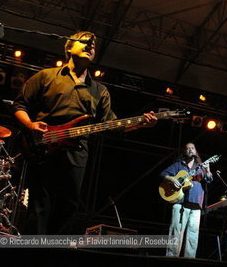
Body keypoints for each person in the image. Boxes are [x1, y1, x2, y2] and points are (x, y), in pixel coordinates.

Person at [13, 31, 158, 234]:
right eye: (85, 42)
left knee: (69, 205)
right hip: (42, 145)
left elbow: (113, 124)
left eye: (94, 45)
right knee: (40, 203)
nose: (90, 46)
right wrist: (30, 126)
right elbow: (19, 104)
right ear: (69, 48)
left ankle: (51, 252)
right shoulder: (46, 76)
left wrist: (142, 124)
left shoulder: (100, 91)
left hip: (77, 150)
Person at [160, 142, 213, 258]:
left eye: (192, 148)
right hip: (179, 202)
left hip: (196, 204)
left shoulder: (201, 167)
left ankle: (190, 259)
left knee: (193, 234)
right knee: (176, 231)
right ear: (184, 152)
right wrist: (172, 179)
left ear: (196, 151)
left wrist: (208, 170)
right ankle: (171, 258)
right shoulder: (179, 165)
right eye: (188, 148)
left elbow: (209, 180)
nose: (190, 150)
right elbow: (163, 174)